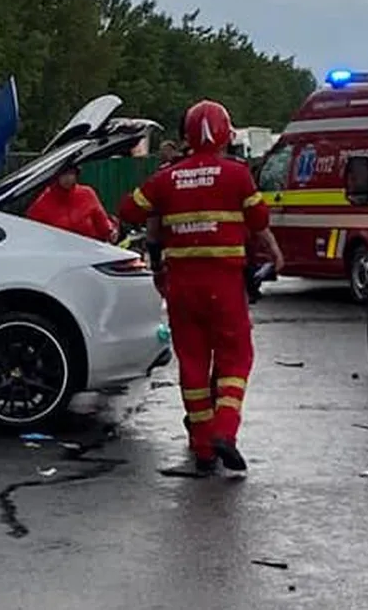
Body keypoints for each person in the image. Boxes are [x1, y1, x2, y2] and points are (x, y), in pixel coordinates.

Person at [118, 99, 284, 476]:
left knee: (193, 363)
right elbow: (259, 217)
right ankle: (225, 430)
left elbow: (129, 210)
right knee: (235, 357)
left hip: (182, 285)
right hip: (224, 283)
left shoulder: (167, 177)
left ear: (187, 135)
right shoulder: (237, 175)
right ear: (227, 133)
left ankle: (203, 447)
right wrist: (271, 249)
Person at [25, 164, 117, 242]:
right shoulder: (44, 199)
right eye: (63, 174)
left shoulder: (87, 193)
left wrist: (111, 231)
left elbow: (101, 221)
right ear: (56, 176)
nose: (68, 178)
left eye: (71, 173)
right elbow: (30, 229)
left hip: (89, 251)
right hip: (58, 253)